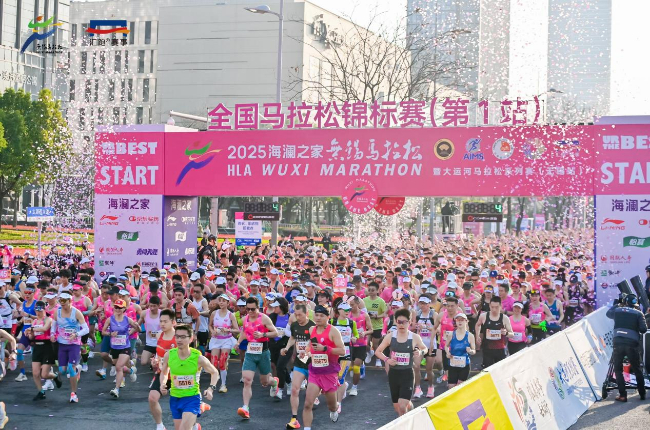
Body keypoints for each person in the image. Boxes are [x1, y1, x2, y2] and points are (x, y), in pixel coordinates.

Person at [159, 324, 220, 430]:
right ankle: (195, 426)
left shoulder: (198, 358)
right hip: (175, 398)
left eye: (183, 337)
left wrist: (211, 389)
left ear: (191, 338)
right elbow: (164, 372)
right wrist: (163, 384)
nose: (179, 340)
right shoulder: (169, 355)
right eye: (177, 336)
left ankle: (197, 412)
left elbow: (215, 372)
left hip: (192, 398)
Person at [374, 308, 428, 417]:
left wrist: (420, 352)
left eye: (404, 322)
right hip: (394, 374)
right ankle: (410, 407)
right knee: (397, 407)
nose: (401, 325)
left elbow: (425, 348)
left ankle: (405, 422)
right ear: (395, 322)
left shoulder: (414, 337)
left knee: (402, 406)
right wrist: (387, 360)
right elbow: (378, 352)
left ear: (409, 322)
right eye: (399, 322)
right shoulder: (390, 336)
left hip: (407, 374)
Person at [302, 305, 346, 429]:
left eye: (321, 316)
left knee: (331, 405)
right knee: (307, 404)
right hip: (315, 372)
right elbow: (310, 344)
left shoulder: (333, 331)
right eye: (316, 315)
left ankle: (334, 409)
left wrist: (325, 348)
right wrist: (305, 351)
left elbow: (342, 351)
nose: (318, 318)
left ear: (328, 317)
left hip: (329, 373)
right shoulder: (312, 329)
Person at [235, 297, 279, 419]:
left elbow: (275, 332)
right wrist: (238, 342)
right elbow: (244, 332)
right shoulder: (245, 319)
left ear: (258, 307)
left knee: (265, 381)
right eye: (248, 309)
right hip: (250, 353)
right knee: (247, 380)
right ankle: (245, 408)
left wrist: (263, 334)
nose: (250, 311)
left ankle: (274, 382)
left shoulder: (264, 318)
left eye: (253, 309)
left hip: (263, 353)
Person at [606, 294, 647, 402]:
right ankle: (642, 394)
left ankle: (623, 395)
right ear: (635, 303)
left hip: (618, 342)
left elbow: (608, 314)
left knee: (618, 369)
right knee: (637, 369)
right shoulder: (638, 313)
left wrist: (617, 304)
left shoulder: (617, 310)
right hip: (632, 343)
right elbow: (643, 329)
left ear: (625, 301)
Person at [281, 303, 315, 429]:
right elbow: (292, 338)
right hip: (299, 363)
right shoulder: (294, 325)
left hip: (312, 364)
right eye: (296, 315)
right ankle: (294, 418)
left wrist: (308, 353)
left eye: (300, 315)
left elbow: (314, 343)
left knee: (311, 395)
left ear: (306, 314)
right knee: (294, 390)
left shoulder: (312, 326)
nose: (298, 317)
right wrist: (286, 348)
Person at [52, 291, 89, 403]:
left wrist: (76, 334)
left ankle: (73, 394)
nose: (62, 303)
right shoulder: (57, 312)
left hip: (74, 344)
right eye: (60, 301)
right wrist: (52, 334)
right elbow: (54, 325)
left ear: (70, 301)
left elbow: (86, 329)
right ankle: (78, 369)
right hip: (62, 344)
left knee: (70, 369)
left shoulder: (76, 313)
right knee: (62, 371)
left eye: (64, 301)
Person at [102, 298, 140, 398]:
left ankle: (116, 389)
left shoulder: (127, 319)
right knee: (119, 367)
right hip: (114, 347)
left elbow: (137, 329)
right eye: (116, 307)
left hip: (125, 347)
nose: (118, 309)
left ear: (124, 309)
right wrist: (110, 334)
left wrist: (135, 327)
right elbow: (103, 332)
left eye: (120, 307)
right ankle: (131, 371)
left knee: (118, 367)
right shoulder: (110, 319)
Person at [148, 308, 177, 430]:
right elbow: (159, 354)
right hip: (162, 373)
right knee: (152, 398)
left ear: (173, 322)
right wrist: (155, 360)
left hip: (177, 374)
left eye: (165, 321)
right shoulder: (159, 335)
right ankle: (160, 426)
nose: (162, 324)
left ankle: (193, 425)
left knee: (182, 405)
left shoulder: (179, 337)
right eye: (161, 321)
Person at [27, 301, 61, 400]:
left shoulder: (48, 319)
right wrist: (29, 334)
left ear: (44, 310)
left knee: (44, 374)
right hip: (37, 347)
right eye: (36, 311)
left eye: (40, 311)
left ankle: (54, 376)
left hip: (47, 347)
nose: (38, 313)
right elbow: (31, 336)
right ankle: (41, 392)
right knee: (35, 373)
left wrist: (32, 329)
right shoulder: (34, 321)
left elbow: (45, 328)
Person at [208, 293, 239, 393]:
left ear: (228, 303)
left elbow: (237, 330)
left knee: (222, 362)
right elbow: (210, 325)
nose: (221, 303)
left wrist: (228, 330)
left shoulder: (231, 315)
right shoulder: (214, 313)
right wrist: (212, 331)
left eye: (223, 301)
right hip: (216, 340)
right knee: (213, 363)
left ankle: (223, 384)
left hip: (226, 340)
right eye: (220, 301)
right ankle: (213, 383)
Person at [475, 296, 514, 368]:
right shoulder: (484, 316)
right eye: (492, 307)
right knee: (487, 370)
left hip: (500, 350)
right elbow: (477, 325)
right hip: (487, 349)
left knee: (500, 370)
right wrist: (477, 336)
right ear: (489, 305)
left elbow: (512, 334)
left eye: (496, 307)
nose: (494, 309)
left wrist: (506, 333)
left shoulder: (504, 318)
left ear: (500, 306)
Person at [444, 313, 476, 388]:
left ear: (466, 321)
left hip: (464, 365)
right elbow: (446, 346)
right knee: (451, 387)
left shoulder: (470, 336)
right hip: (453, 364)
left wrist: (470, 351)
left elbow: (474, 350)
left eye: (462, 320)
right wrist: (447, 353)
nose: (460, 322)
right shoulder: (451, 334)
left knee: (460, 387)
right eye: (458, 320)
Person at [139, 296, 162, 368]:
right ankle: (154, 362)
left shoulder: (162, 314)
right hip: (150, 343)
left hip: (160, 343)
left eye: (154, 306)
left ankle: (157, 364)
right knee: (143, 362)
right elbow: (137, 325)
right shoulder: (144, 313)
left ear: (158, 305)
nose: (152, 308)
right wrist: (129, 332)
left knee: (162, 363)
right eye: (150, 306)